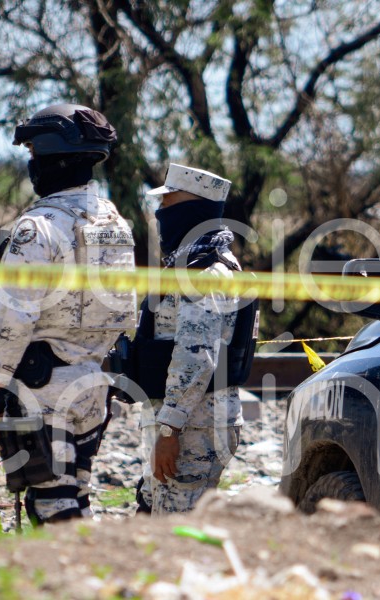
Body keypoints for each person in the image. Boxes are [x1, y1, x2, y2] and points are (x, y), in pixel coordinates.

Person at [0, 103, 136, 524]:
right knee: (76, 495)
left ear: (50, 158)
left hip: (43, 388)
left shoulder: (38, 227)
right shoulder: (115, 223)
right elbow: (125, 311)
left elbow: (13, 322)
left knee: (51, 503)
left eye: (32, 154)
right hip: (92, 384)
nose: (31, 165)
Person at [134, 163, 246, 514]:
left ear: (192, 207)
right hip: (192, 420)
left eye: (168, 203)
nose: (159, 211)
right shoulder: (192, 263)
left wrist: (169, 432)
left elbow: (196, 356)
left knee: (174, 535)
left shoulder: (203, 271)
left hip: (193, 425)